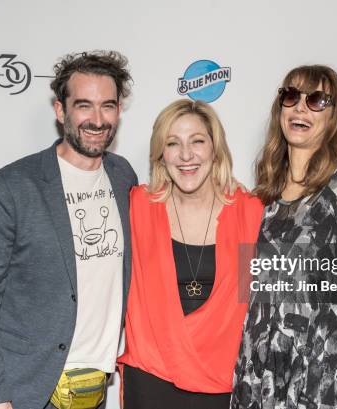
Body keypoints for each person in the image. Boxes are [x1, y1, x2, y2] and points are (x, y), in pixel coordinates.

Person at [0, 51, 137, 409]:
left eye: (107, 106)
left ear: (119, 110)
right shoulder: (12, 186)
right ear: (61, 111)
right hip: (26, 389)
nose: (97, 119)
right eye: (84, 105)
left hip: (94, 390)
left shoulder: (123, 177)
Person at [230, 65, 337, 409]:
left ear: (334, 115)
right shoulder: (266, 193)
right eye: (291, 97)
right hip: (261, 370)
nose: (300, 108)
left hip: (325, 370)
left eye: (317, 100)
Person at [117, 99, 264, 409]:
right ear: (160, 154)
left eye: (197, 141)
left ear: (216, 148)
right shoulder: (137, 207)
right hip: (150, 380)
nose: (186, 155)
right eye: (173, 143)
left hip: (224, 383)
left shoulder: (250, 214)